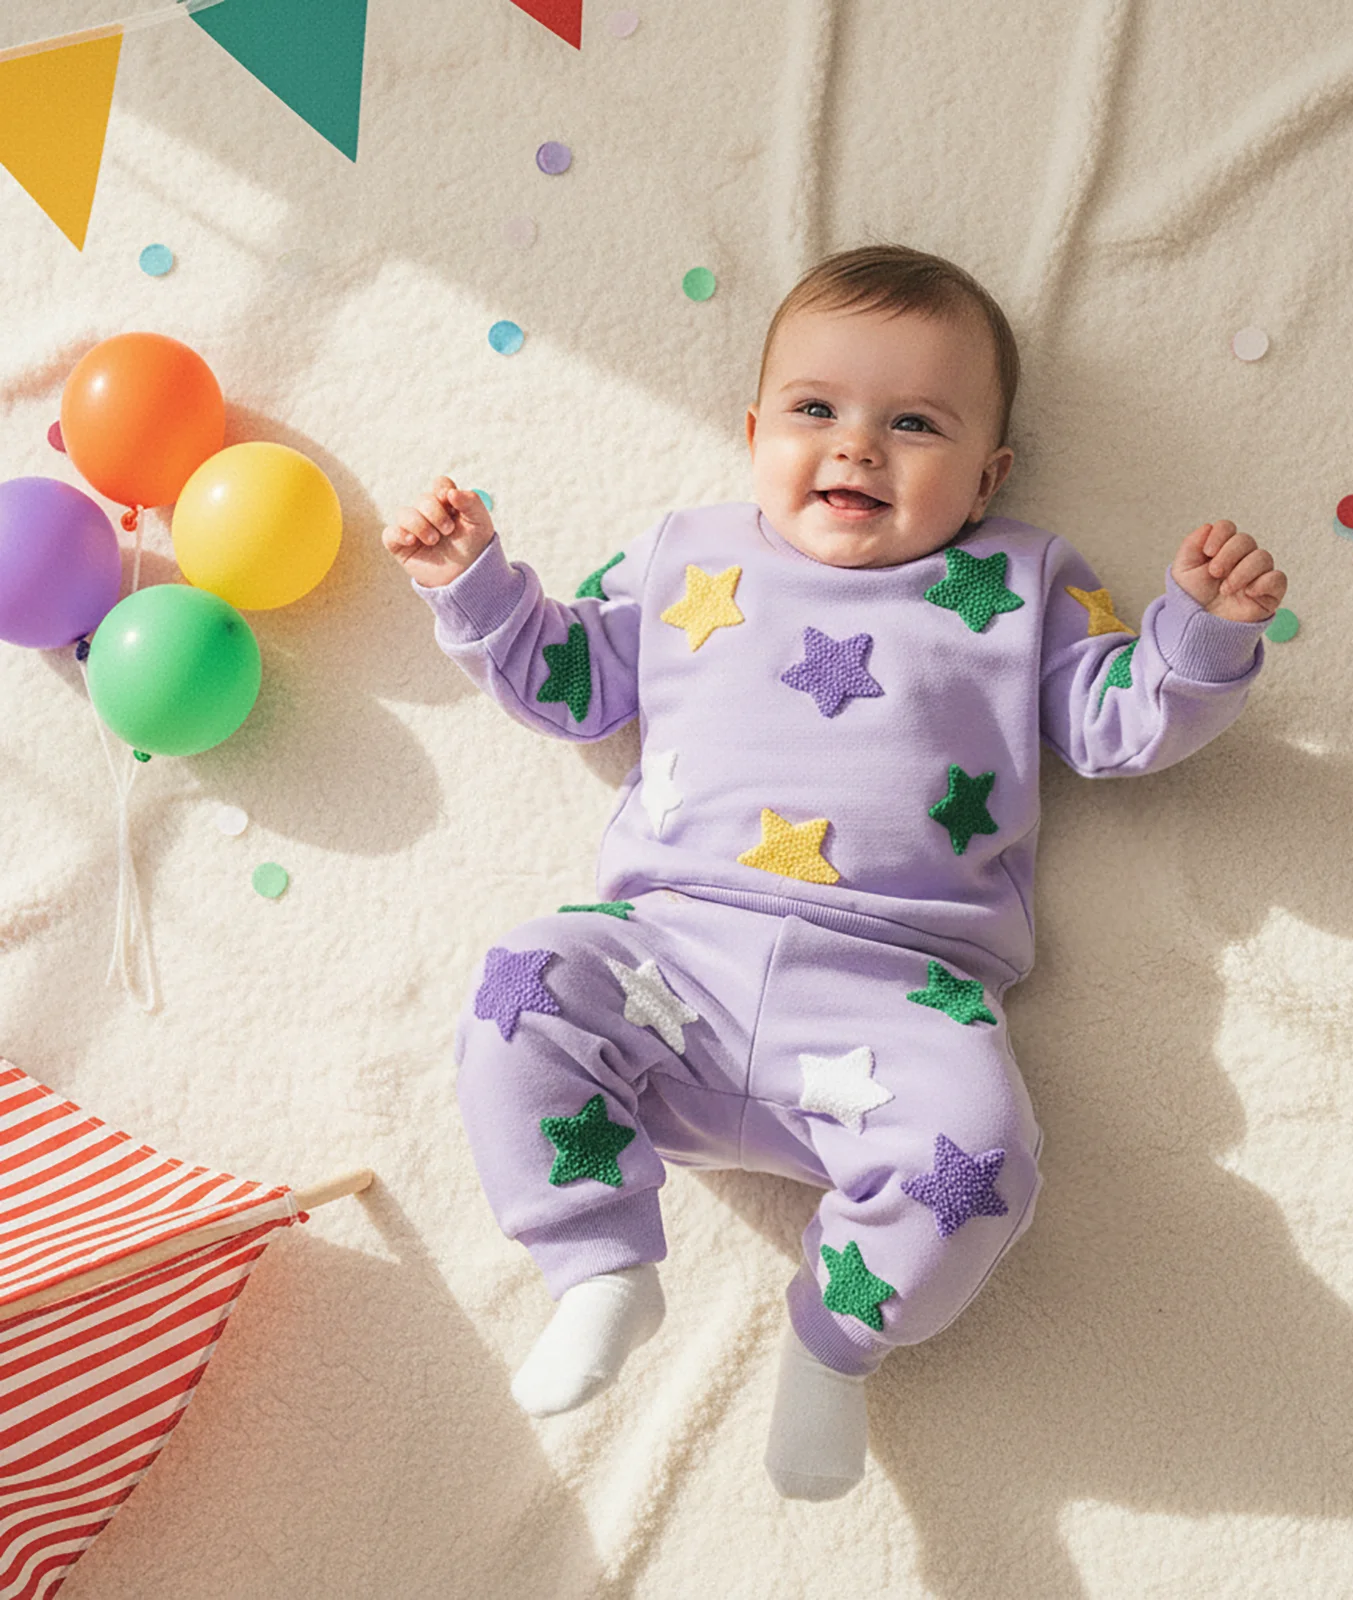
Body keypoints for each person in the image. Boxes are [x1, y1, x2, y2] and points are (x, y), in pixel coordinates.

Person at [382, 244, 1288, 1500]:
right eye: (816, 410)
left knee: (984, 1156)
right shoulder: (688, 552)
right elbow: (575, 685)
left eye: (914, 423)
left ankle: (833, 1344)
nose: (856, 447)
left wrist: (1198, 631)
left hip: (899, 991)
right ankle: (596, 1261)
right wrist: (471, 582)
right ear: (754, 432)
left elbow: (1117, 721)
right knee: (521, 986)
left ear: (990, 474)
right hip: (670, 958)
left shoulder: (1020, 580)